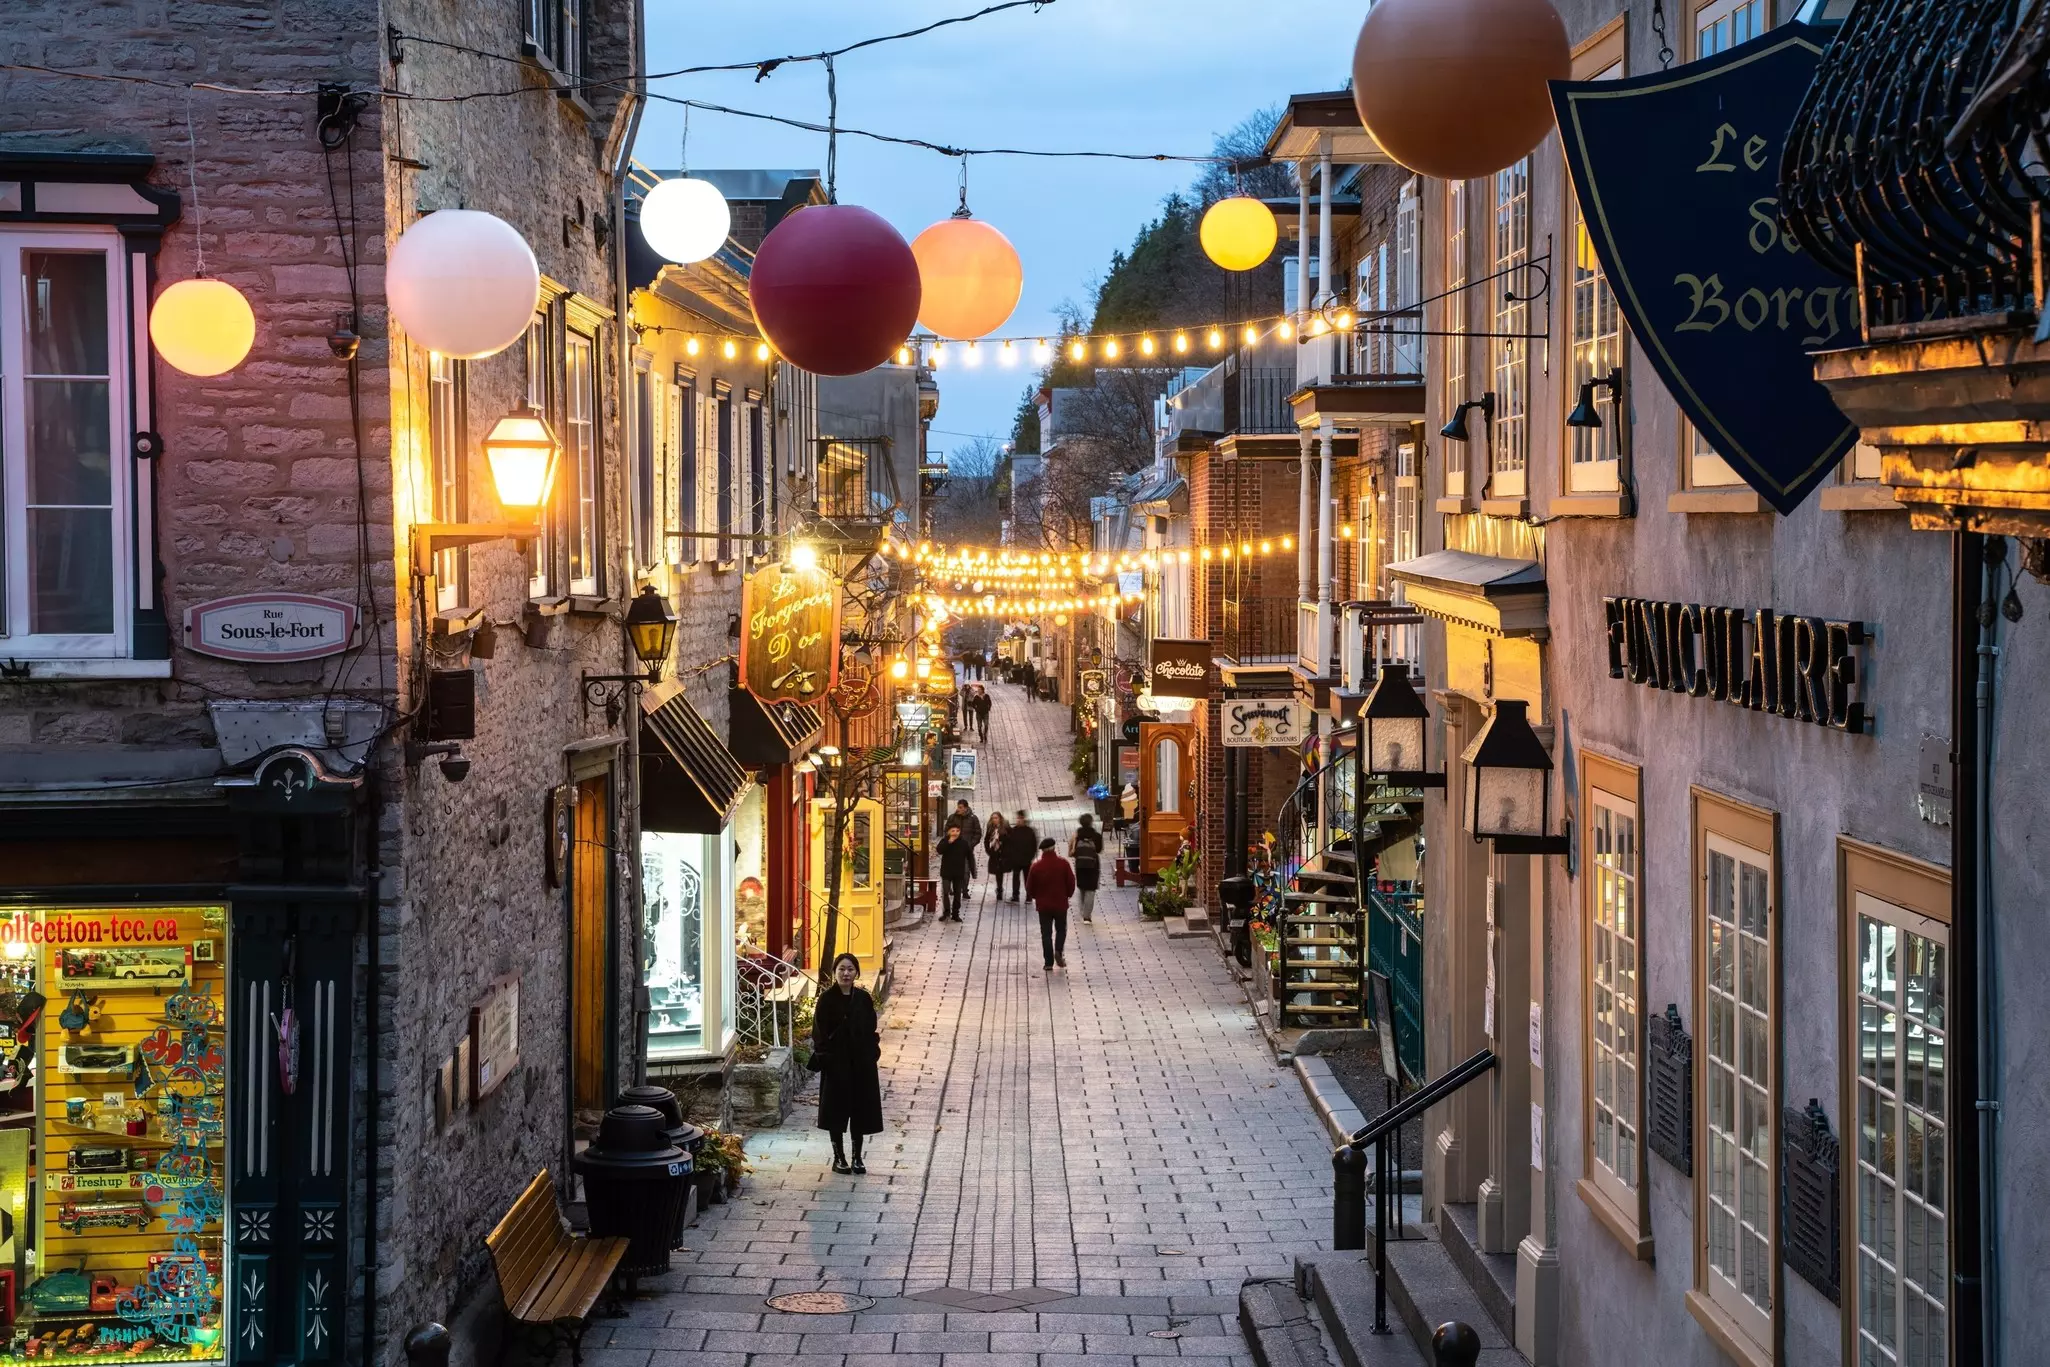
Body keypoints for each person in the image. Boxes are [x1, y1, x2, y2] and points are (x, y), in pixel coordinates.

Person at [812, 953, 883, 1174]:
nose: (846, 973)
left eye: (850, 969)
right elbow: (819, 1032)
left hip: (861, 1063)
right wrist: (827, 1057)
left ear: (856, 973)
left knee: (859, 1109)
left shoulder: (863, 998)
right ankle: (838, 1157)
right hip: (836, 1064)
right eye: (842, 969)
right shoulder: (826, 999)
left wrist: (871, 1054)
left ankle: (857, 1157)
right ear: (835, 972)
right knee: (836, 1110)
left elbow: (871, 1028)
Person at [1025, 837, 1076, 970]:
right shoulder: (1063, 864)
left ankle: (1048, 962)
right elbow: (1071, 882)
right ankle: (1058, 950)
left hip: (1044, 906)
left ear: (1042, 851)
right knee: (1061, 929)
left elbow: (1029, 887)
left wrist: (1037, 897)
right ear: (1054, 848)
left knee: (1046, 933)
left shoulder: (1036, 866)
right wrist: (1067, 894)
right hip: (1060, 904)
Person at [1069, 813, 1105, 922]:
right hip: (1093, 865)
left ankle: (1082, 910)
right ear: (1091, 822)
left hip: (1080, 865)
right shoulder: (1096, 836)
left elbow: (1072, 851)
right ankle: (1087, 916)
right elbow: (1099, 850)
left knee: (1082, 888)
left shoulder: (1077, 835)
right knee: (1091, 889)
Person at [937, 822, 976, 922]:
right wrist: (949, 842)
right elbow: (939, 850)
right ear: (948, 832)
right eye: (953, 831)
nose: (955, 833)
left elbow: (970, 857)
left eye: (957, 831)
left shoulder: (963, 843)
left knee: (957, 893)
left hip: (958, 872)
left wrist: (973, 871)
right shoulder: (945, 841)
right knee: (946, 892)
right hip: (946, 871)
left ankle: (955, 914)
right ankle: (946, 912)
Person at [1000, 809, 1038, 902]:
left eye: (1021, 818)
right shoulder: (1013, 830)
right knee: (1016, 878)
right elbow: (1007, 843)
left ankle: (1029, 897)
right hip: (1016, 859)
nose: (1019, 820)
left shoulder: (1030, 831)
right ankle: (1015, 896)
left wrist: (1031, 856)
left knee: (1027, 878)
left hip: (1026, 859)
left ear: (1024, 819)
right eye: (1018, 818)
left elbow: (1034, 845)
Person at [983, 810, 1009, 897]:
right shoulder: (990, 828)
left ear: (1000, 818)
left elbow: (1010, 839)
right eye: (993, 818)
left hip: (1003, 852)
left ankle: (1000, 889)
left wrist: (1001, 841)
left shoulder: (1005, 827)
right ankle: (999, 888)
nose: (994, 820)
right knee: (997, 871)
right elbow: (986, 839)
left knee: (1000, 871)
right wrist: (988, 850)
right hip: (994, 852)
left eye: (996, 818)